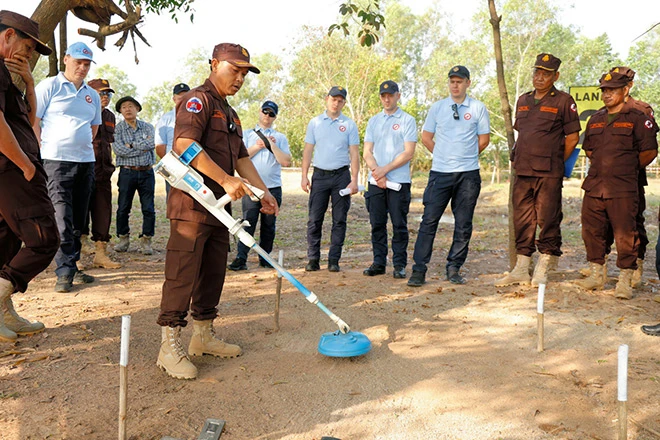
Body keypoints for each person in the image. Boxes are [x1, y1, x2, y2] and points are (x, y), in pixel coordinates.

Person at [156, 43, 278, 380]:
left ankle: (203, 335)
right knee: (182, 274)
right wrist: (225, 179)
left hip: (219, 210)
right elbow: (183, 145)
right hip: (192, 206)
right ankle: (169, 345)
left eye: (245, 73)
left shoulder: (232, 113)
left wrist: (263, 193)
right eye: (234, 69)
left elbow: (242, 158)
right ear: (214, 64)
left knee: (213, 272)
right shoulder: (197, 100)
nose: (240, 78)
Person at [495, 53, 581, 288]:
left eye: (545, 73)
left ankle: (543, 266)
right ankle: (522, 267)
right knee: (523, 218)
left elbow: (572, 137)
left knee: (548, 218)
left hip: (548, 172)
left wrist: (555, 161)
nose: (539, 77)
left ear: (556, 76)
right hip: (523, 170)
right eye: (537, 72)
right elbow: (524, 134)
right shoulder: (523, 100)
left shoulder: (564, 101)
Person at [0, 10, 60, 340]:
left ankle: (5, 313)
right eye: (27, 46)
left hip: (13, 170)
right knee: (44, 239)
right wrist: (25, 165)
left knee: (6, 242)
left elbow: (28, 120)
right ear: (8, 36)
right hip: (13, 170)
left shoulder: (10, 76)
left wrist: (30, 84)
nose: (29, 54)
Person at [574, 71, 658, 299]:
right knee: (592, 230)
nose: (607, 94)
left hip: (623, 186)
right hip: (595, 185)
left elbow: (649, 151)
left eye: (612, 90)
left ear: (625, 90)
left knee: (625, 234)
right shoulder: (596, 118)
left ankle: (624, 280)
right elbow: (589, 149)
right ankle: (596, 274)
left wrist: (626, 168)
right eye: (604, 90)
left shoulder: (638, 116)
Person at [407, 66, 490, 287]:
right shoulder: (437, 108)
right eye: (452, 81)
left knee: (463, 223)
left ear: (468, 83)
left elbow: (484, 140)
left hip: (468, 176)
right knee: (429, 221)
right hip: (440, 174)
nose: (455, 85)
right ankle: (419, 269)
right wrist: (445, 155)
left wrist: (464, 157)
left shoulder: (478, 108)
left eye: (460, 81)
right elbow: (426, 137)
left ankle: (454, 267)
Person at [34, 41, 101, 293]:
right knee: (61, 216)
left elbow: (94, 128)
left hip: (85, 163)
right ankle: (63, 272)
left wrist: (80, 144)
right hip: (55, 162)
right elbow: (34, 121)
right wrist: (43, 149)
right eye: (78, 62)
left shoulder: (91, 94)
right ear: (66, 59)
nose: (82, 68)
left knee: (79, 219)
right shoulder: (49, 86)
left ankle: (72, 266)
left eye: (86, 64)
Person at [301, 86, 359, 272]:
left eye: (340, 100)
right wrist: (304, 175)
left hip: (342, 176)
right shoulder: (315, 123)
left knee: (339, 219)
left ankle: (334, 260)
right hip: (320, 175)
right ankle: (313, 259)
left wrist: (355, 179)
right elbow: (308, 150)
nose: (336, 103)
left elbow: (354, 153)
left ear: (343, 103)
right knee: (314, 219)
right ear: (327, 99)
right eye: (334, 99)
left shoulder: (349, 124)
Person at [362, 81, 416, 279]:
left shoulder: (407, 120)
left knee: (399, 225)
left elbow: (408, 152)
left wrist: (385, 170)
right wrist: (377, 173)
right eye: (383, 95)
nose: (387, 98)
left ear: (398, 96)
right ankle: (378, 263)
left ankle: (399, 265)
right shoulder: (373, 121)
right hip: (376, 181)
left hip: (399, 181)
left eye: (390, 95)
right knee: (377, 223)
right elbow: (367, 152)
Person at [228, 100, 291, 271]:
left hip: (273, 186)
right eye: (265, 112)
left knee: (269, 224)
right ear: (260, 112)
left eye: (271, 114)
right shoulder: (247, 134)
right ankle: (241, 258)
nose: (267, 116)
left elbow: (285, 161)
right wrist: (257, 146)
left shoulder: (280, 137)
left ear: (275, 117)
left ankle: (265, 257)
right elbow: (240, 157)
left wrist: (271, 145)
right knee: (248, 222)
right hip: (252, 187)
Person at [80, 78, 121, 269]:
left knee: (103, 212)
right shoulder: (82, 111)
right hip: (84, 169)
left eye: (108, 94)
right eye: (101, 93)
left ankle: (101, 253)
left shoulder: (110, 116)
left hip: (104, 173)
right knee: (78, 212)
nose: (105, 97)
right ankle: (76, 254)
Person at [112, 95, 156, 255]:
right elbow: (118, 150)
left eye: (131, 106)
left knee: (149, 209)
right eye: (124, 107)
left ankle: (146, 240)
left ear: (137, 109)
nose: (128, 109)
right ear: (121, 111)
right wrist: (140, 148)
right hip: (127, 172)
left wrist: (130, 145)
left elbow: (152, 144)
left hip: (146, 172)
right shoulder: (118, 129)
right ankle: (123, 239)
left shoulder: (148, 127)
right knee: (123, 207)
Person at [155, 82, 190, 198]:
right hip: (173, 167)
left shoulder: (198, 116)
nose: (183, 99)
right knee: (174, 200)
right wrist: (171, 162)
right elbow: (160, 147)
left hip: (194, 166)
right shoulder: (166, 118)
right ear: (174, 98)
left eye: (186, 95)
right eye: (180, 96)